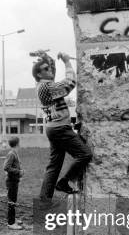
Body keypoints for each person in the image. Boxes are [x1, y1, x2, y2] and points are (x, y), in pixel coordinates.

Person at [34, 51, 92, 201]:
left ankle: (44, 200)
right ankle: (64, 182)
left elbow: (52, 71)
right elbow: (69, 83)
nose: (50, 70)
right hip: (60, 128)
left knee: (54, 166)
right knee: (84, 154)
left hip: (53, 128)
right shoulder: (47, 87)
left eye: (49, 68)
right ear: (39, 74)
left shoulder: (42, 85)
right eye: (45, 69)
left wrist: (48, 58)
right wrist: (66, 62)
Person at [4, 136, 24, 230]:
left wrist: (19, 172)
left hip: (14, 181)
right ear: (17, 144)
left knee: (13, 201)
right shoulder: (12, 154)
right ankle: (11, 223)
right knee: (11, 201)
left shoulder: (14, 153)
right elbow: (6, 167)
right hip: (11, 182)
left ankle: (13, 219)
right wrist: (18, 172)